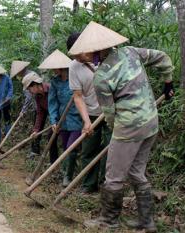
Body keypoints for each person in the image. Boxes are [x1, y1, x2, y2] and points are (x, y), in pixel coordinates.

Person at [69, 21, 174, 231]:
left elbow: (109, 115)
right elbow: (162, 57)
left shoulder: (101, 76)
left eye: (85, 52)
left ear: (96, 50)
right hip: (151, 121)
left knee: (114, 176)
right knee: (136, 172)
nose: (83, 57)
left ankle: (108, 221)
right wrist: (168, 82)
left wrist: (119, 133)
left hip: (129, 127)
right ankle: (147, 222)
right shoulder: (131, 52)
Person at [67, 32, 112, 193]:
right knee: (88, 150)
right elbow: (78, 96)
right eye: (74, 55)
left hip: (111, 113)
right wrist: (86, 121)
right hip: (91, 114)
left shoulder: (106, 57)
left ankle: (108, 185)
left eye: (79, 53)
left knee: (111, 150)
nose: (78, 57)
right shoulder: (74, 67)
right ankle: (88, 185)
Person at [38, 50, 83, 186]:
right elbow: (52, 103)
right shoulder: (55, 82)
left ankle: (68, 177)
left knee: (71, 147)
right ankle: (67, 171)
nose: (53, 71)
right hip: (62, 121)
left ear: (60, 68)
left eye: (54, 69)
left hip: (77, 119)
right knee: (65, 147)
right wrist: (53, 120)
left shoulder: (75, 78)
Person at [10, 61, 38, 159]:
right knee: (37, 128)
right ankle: (35, 150)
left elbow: (29, 97)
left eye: (17, 73)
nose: (17, 75)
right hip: (38, 106)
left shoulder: (28, 78)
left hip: (38, 107)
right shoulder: (32, 73)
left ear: (21, 70)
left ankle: (35, 151)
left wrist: (23, 110)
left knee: (36, 129)